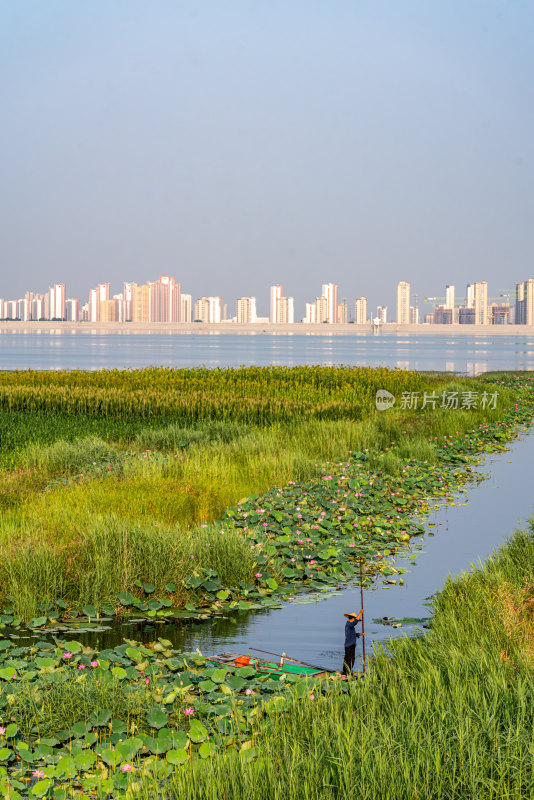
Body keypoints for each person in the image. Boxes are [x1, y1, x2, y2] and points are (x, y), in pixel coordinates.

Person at [343, 610, 364, 675]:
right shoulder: (349, 624)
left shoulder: (350, 626)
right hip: (349, 645)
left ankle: (345, 672)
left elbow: (353, 634)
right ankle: (348, 672)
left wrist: (360, 634)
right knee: (351, 659)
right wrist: (360, 613)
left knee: (347, 659)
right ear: (352, 618)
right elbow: (355, 622)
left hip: (349, 645)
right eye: (355, 618)